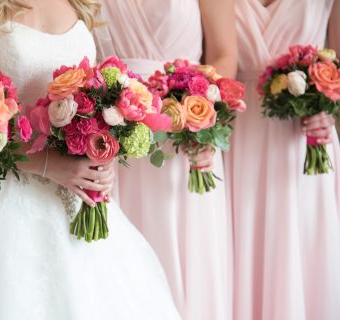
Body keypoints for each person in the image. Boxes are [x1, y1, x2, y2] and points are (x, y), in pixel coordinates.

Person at [0, 1, 180, 319]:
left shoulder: (80, 3)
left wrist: (101, 156)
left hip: (76, 202)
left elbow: (89, 100)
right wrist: (47, 164)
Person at [94, 1, 237, 319]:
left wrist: (197, 106)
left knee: (188, 256)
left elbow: (225, 54)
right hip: (115, 133)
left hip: (183, 137)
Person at [227, 0, 340, 319]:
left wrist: (329, 106)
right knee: (242, 249)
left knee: (304, 248)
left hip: (307, 138)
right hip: (239, 135)